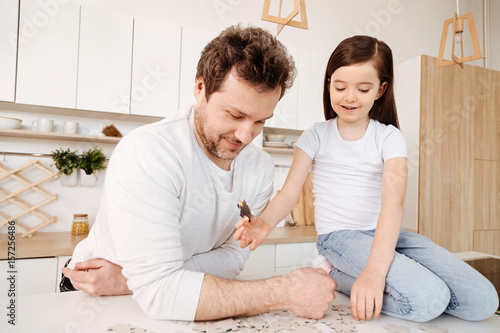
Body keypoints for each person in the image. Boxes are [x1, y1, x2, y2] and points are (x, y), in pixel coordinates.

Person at [61, 25, 336, 321]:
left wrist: (133, 281)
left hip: (137, 291)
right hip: (91, 293)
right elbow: (162, 295)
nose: (245, 136)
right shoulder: (148, 152)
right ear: (200, 88)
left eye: (260, 121)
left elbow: (232, 259)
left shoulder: (260, 168)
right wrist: (284, 292)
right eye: (235, 115)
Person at [234, 35, 499, 323]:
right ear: (329, 84)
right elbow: (288, 194)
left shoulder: (389, 137)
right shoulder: (316, 136)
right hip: (340, 238)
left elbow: (393, 205)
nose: (349, 97)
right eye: (340, 86)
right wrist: (265, 224)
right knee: (428, 300)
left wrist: (375, 272)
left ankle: (352, 271)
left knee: (482, 301)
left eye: (362, 89)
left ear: (380, 90)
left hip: (389, 234)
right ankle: (335, 270)